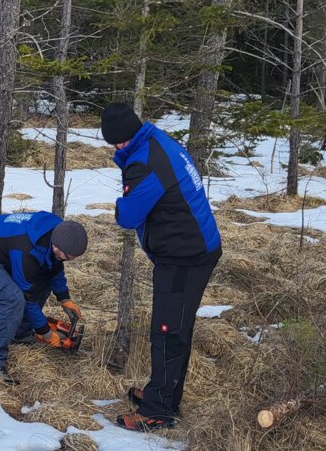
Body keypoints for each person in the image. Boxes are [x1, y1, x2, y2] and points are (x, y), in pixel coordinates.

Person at [101, 102, 222, 431]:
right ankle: (164, 394)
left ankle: (158, 411)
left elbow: (128, 216)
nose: (119, 147)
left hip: (185, 255)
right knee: (176, 328)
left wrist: (120, 203)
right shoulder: (155, 140)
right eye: (114, 143)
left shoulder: (146, 163)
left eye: (122, 142)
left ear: (132, 133)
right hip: (193, 248)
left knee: (168, 332)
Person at [0, 211, 87, 384]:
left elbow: (54, 267)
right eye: (67, 256)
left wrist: (64, 298)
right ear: (56, 245)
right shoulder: (26, 250)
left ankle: (21, 335)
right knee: (13, 299)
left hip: (4, 251)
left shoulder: (60, 233)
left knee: (42, 283)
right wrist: (45, 332)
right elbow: (28, 298)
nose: (69, 259)